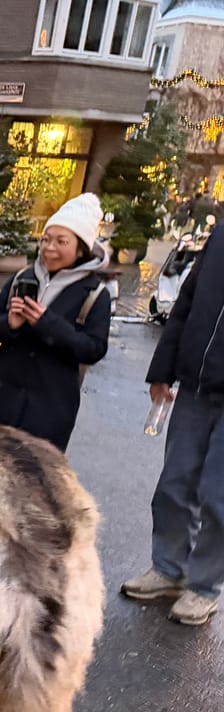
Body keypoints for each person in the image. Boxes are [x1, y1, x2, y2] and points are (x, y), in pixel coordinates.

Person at [121, 226, 224, 626]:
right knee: (175, 483)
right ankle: (169, 568)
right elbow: (187, 302)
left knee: (218, 498)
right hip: (196, 385)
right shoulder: (221, 236)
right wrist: (163, 369)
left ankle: (204, 587)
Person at [0, 193, 111, 452]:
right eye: (46, 239)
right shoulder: (22, 278)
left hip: (49, 411)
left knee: (30, 473)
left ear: (81, 248)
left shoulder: (95, 294)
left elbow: (93, 349)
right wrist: (9, 325)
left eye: (61, 241)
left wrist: (47, 324)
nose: (49, 248)